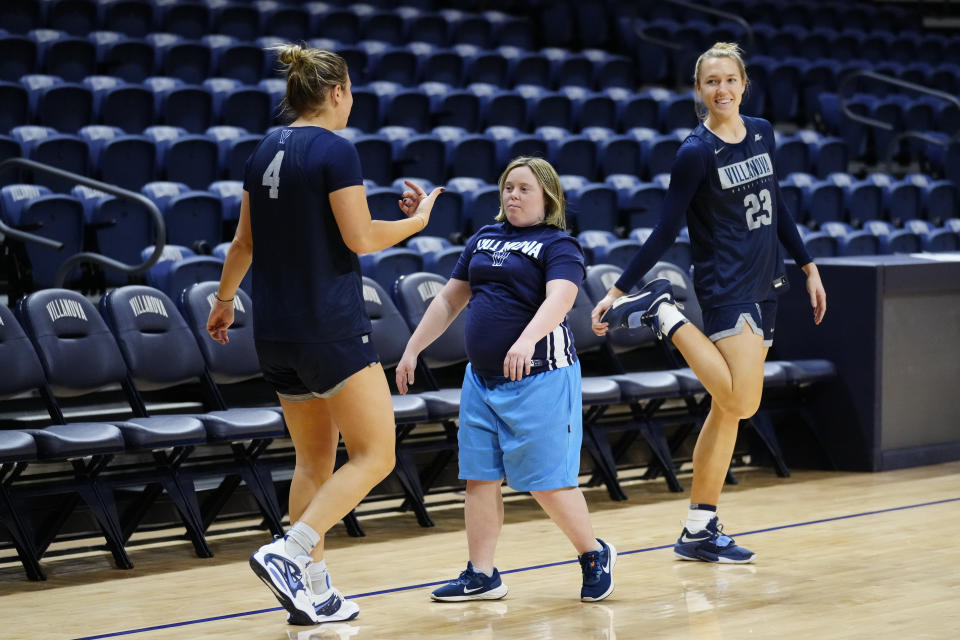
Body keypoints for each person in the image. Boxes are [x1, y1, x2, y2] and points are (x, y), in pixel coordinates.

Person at [206, 45, 443, 625]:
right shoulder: (336, 150)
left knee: (313, 462)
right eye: (352, 91)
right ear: (336, 92)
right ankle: (289, 553)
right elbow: (360, 238)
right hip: (331, 329)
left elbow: (244, 243)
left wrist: (224, 300)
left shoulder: (262, 149)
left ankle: (312, 588)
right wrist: (416, 224)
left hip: (276, 331)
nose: (353, 101)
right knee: (375, 454)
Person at [591, 42, 827, 564]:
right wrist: (619, 289)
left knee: (727, 409)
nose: (722, 90)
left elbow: (778, 207)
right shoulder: (695, 152)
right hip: (726, 286)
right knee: (744, 402)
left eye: (729, 80)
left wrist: (808, 265)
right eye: (711, 82)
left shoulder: (763, 131)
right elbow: (666, 228)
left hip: (770, 282)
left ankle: (700, 528)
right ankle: (663, 312)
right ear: (699, 91)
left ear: (744, 84)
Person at [396, 156, 617, 602]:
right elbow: (448, 301)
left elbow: (562, 298)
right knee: (479, 476)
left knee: (546, 481)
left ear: (547, 198)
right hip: (481, 380)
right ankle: (482, 573)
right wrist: (412, 348)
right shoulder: (483, 238)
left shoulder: (559, 245)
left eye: (523, 189)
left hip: (541, 376)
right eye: (507, 188)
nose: (512, 195)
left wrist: (527, 340)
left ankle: (593, 553)